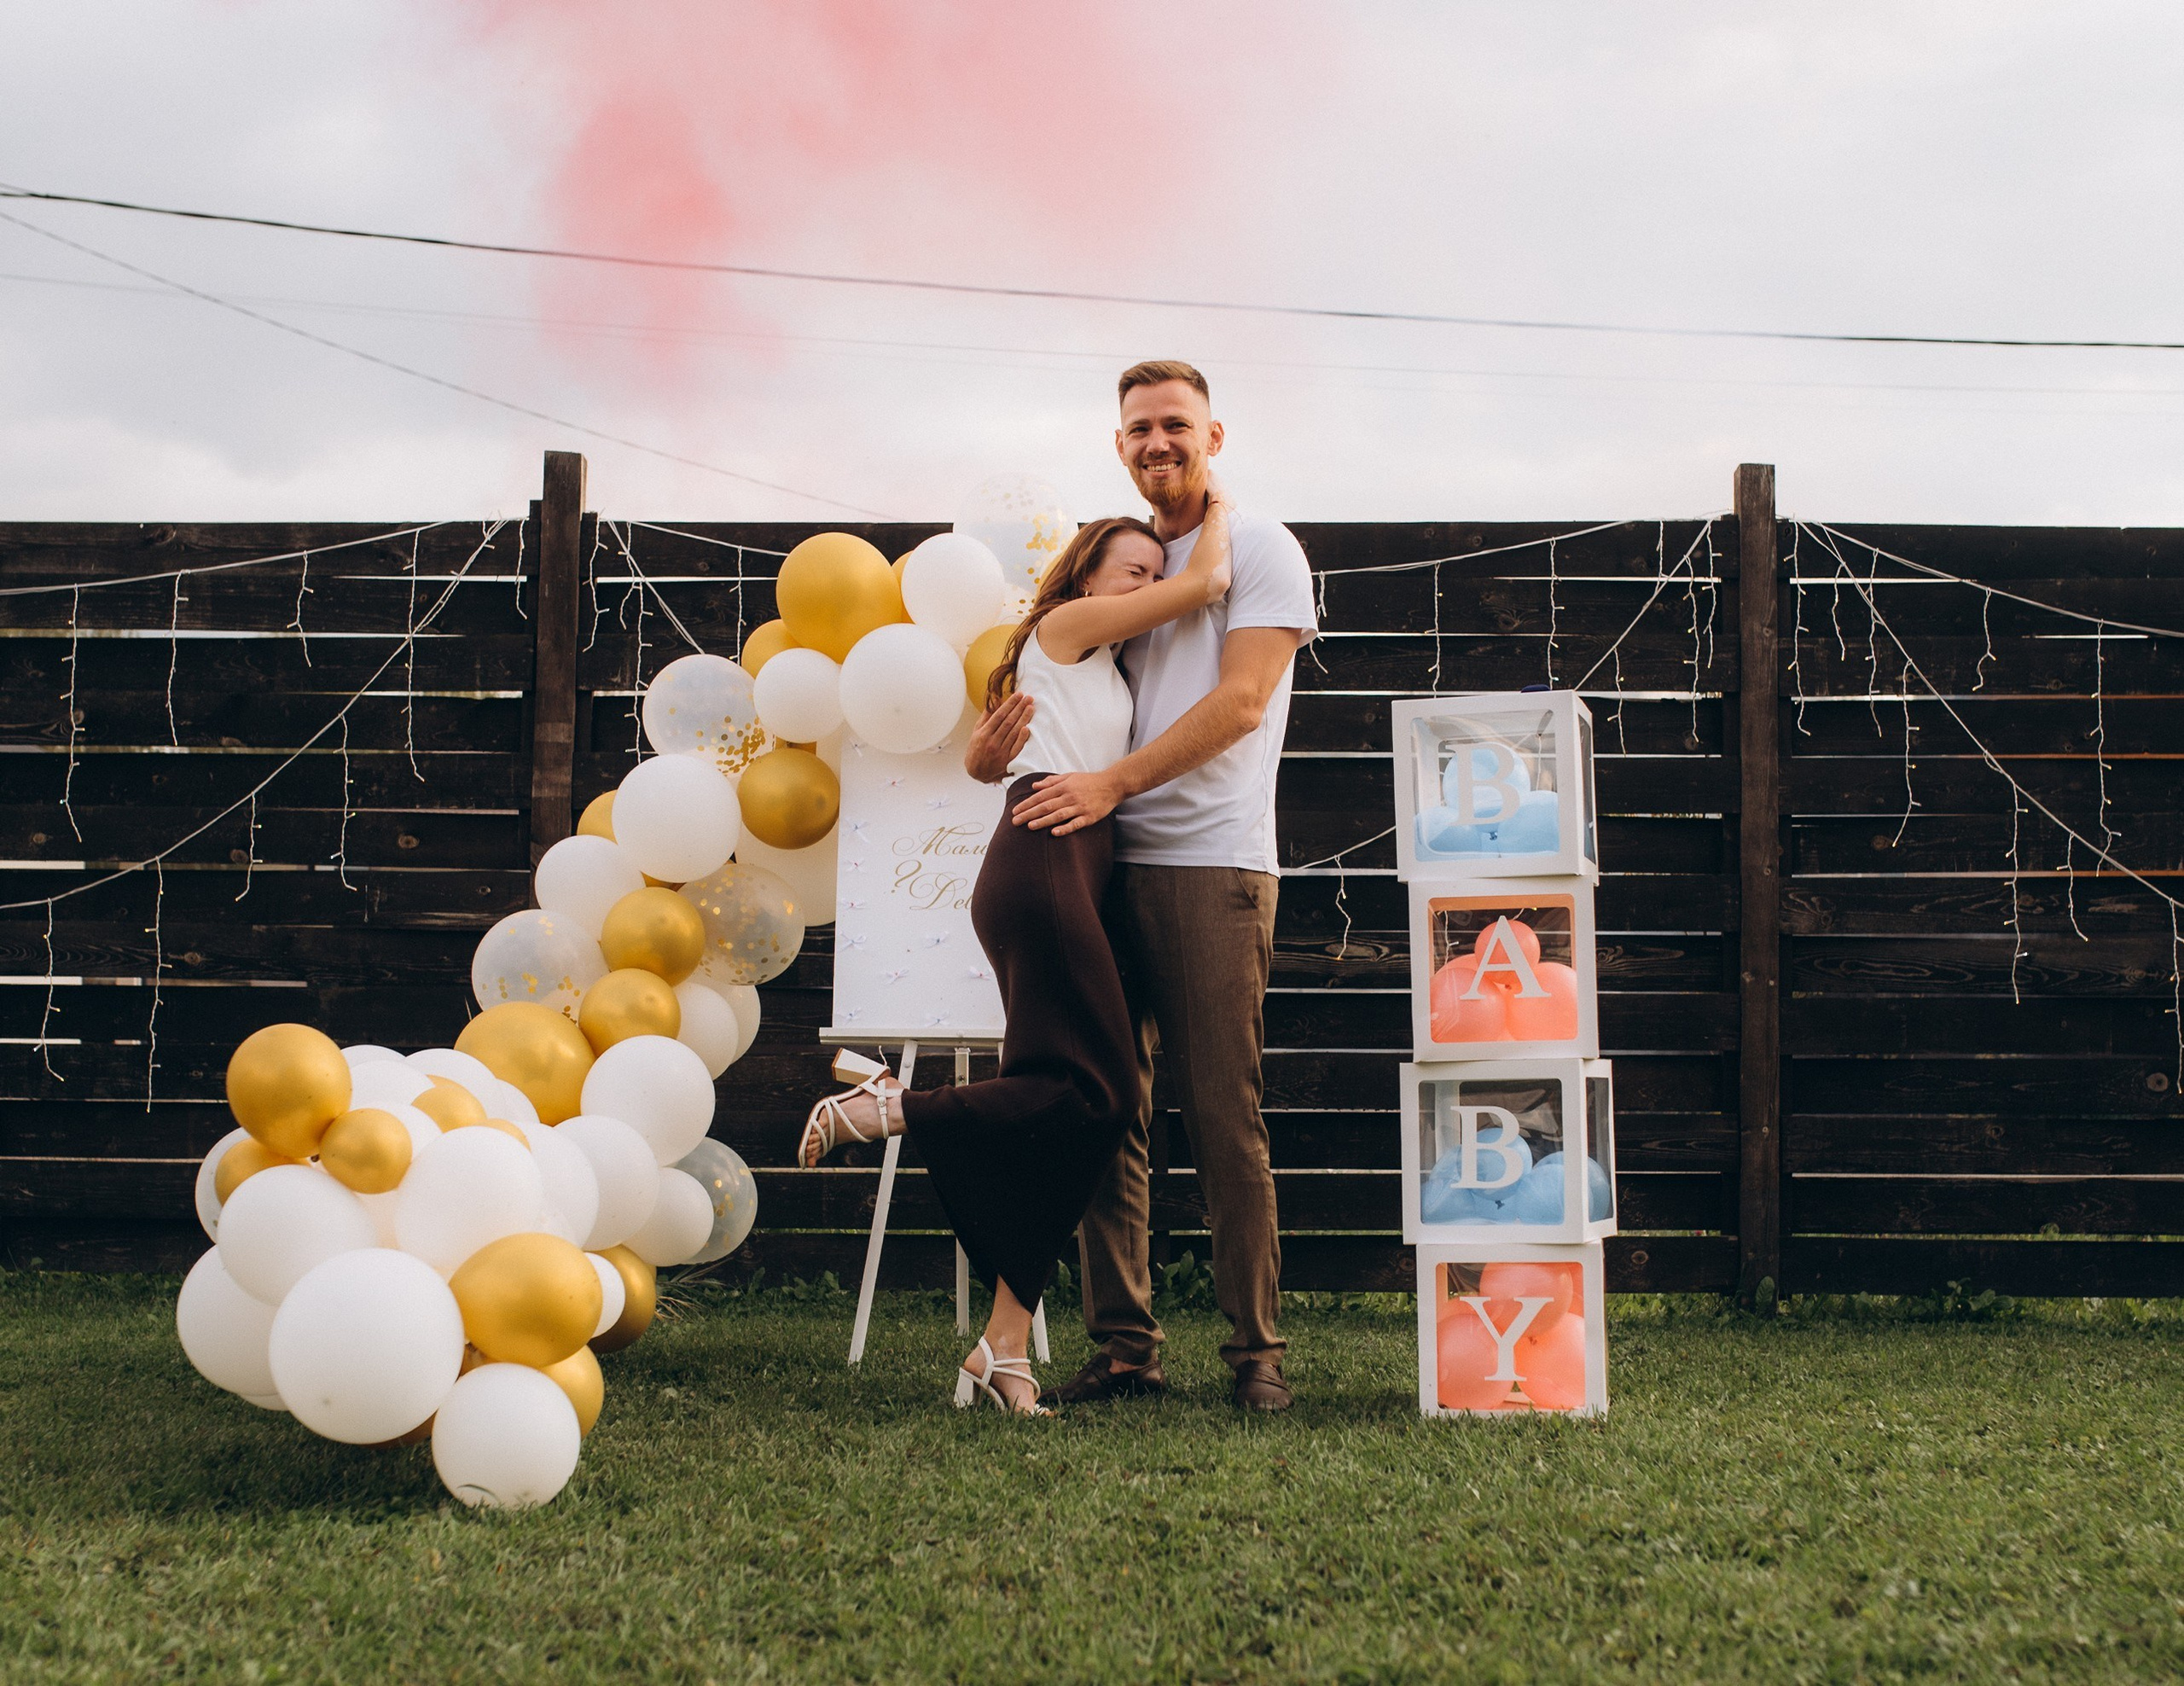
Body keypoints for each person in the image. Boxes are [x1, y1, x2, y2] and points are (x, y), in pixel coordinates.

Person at [797, 499, 1234, 1415]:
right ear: (1083, 577)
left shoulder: (1094, 664)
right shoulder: (1066, 625)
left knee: (1080, 1105)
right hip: (1042, 864)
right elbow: (1209, 584)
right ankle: (888, 1106)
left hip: (1071, 868)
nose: (1150, 590)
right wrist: (1217, 504)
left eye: (1153, 576)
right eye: (1133, 573)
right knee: (1102, 1091)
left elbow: (1011, 749)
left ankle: (1003, 1346)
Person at [972, 360, 1318, 1413]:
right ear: (1118, 444)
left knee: (1224, 1115)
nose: (1155, 441)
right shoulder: (1120, 567)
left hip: (1208, 863)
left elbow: (1244, 701)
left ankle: (1255, 1354)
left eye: (1175, 424)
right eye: (1137, 428)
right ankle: (1125, 1346)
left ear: (1214, 435)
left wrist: (1112, 783)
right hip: (1100, 859)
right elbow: (1048, 711)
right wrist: (996, 763)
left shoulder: (1257, 545)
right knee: (1105, 1110)